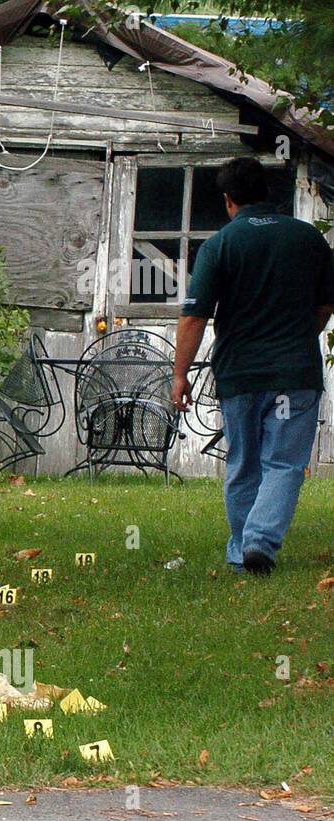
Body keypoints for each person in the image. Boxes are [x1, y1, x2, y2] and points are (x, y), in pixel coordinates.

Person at [172, 156, 334, 576]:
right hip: (295, 375)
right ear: (270, 194)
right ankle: (257, 544)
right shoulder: (308, 239)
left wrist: (180, 374)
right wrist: (301, 336)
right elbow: (325, 305)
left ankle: (244, 550)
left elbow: (194, 315)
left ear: (228, 200)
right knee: (283, 463)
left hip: (240, 374)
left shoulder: (221, 244)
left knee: (242, 462)